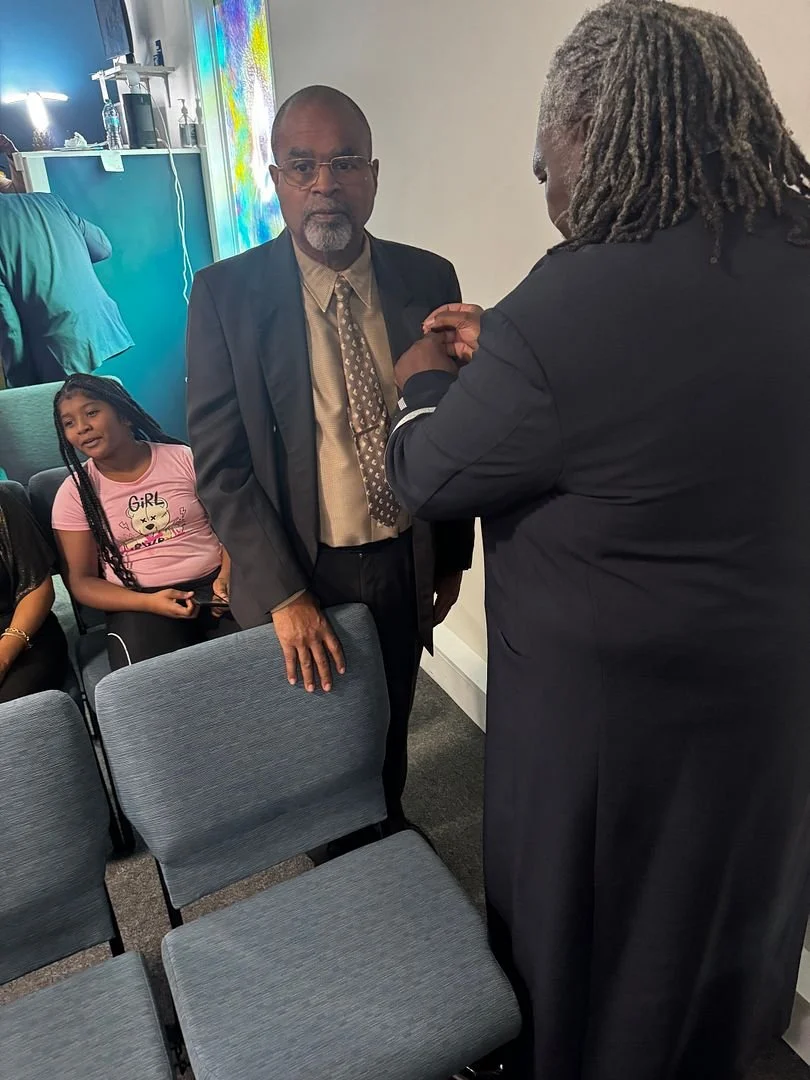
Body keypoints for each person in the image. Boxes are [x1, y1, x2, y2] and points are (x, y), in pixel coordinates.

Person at [386, 3, 810, 1078]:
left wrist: (428, 381)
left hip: (610, 738)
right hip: (769, 703)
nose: (550, 186)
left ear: (591, 125)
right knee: (735, 917)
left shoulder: (569, 301)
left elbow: (431, 473)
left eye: (545, 163)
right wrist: (525, 369)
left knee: (598, 956)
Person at [186, 85, 473, 826]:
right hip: (302, 566)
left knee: (390, 726)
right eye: (303, 164)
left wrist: (451, 558)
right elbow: (220, 464)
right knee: (319, 751)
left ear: (373, 175)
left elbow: (455, 423)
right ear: (276, 177)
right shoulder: (226, 294)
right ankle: (348, 879)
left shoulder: (428, 277)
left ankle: (392, 838)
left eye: (344, 163)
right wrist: (282, 594)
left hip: (405, 552)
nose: (325, 185)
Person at [52, 374, 235, 671]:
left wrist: (227, 576)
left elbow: (233, 526)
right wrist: (148, 603)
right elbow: (82, 582)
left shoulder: (184, 459)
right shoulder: (74, 493)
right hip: (138, 601)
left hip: (216, 582)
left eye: (91, 413)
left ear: (124, 415)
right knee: (149, 688)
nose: (82, 428)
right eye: (69, 423)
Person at [0, 133, 133, 387]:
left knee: (73, 418)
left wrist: (19, 386)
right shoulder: (49, 201)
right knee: (102, 408)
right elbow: (102, 248)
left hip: (56, 347)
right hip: (101, 326)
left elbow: (8, 323)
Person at [0, 485, 69, 703]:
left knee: (10, 712)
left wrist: (3, 656)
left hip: (20, 632)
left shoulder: (4, 503)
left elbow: (38, 587)